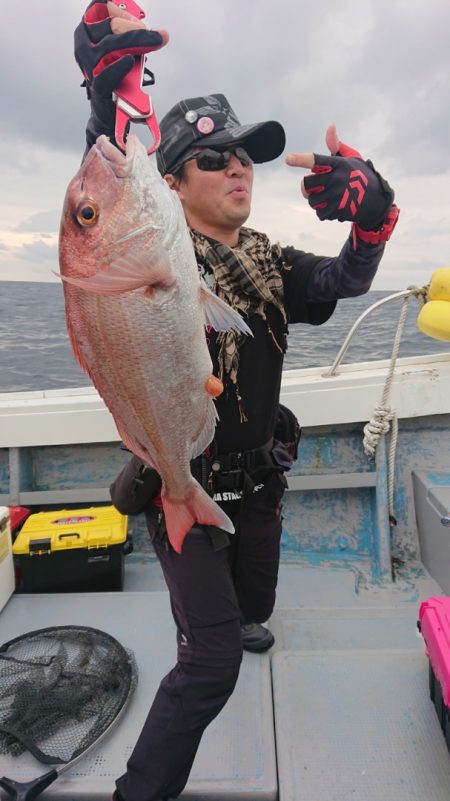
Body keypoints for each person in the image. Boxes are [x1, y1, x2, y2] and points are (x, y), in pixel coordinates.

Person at [74, 3, 400, 800]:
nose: (237, 168)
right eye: (214, 157)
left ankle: (226, 611)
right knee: (211, 660)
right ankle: (138, 789)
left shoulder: (268, 259)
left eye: (244, 156)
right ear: (171, 182)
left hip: (259, 484)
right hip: (179, 481)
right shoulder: (152, 250)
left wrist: (373, 218)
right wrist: (102, 104)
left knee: (255, 605)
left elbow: (344, 280)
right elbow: (107, 205)